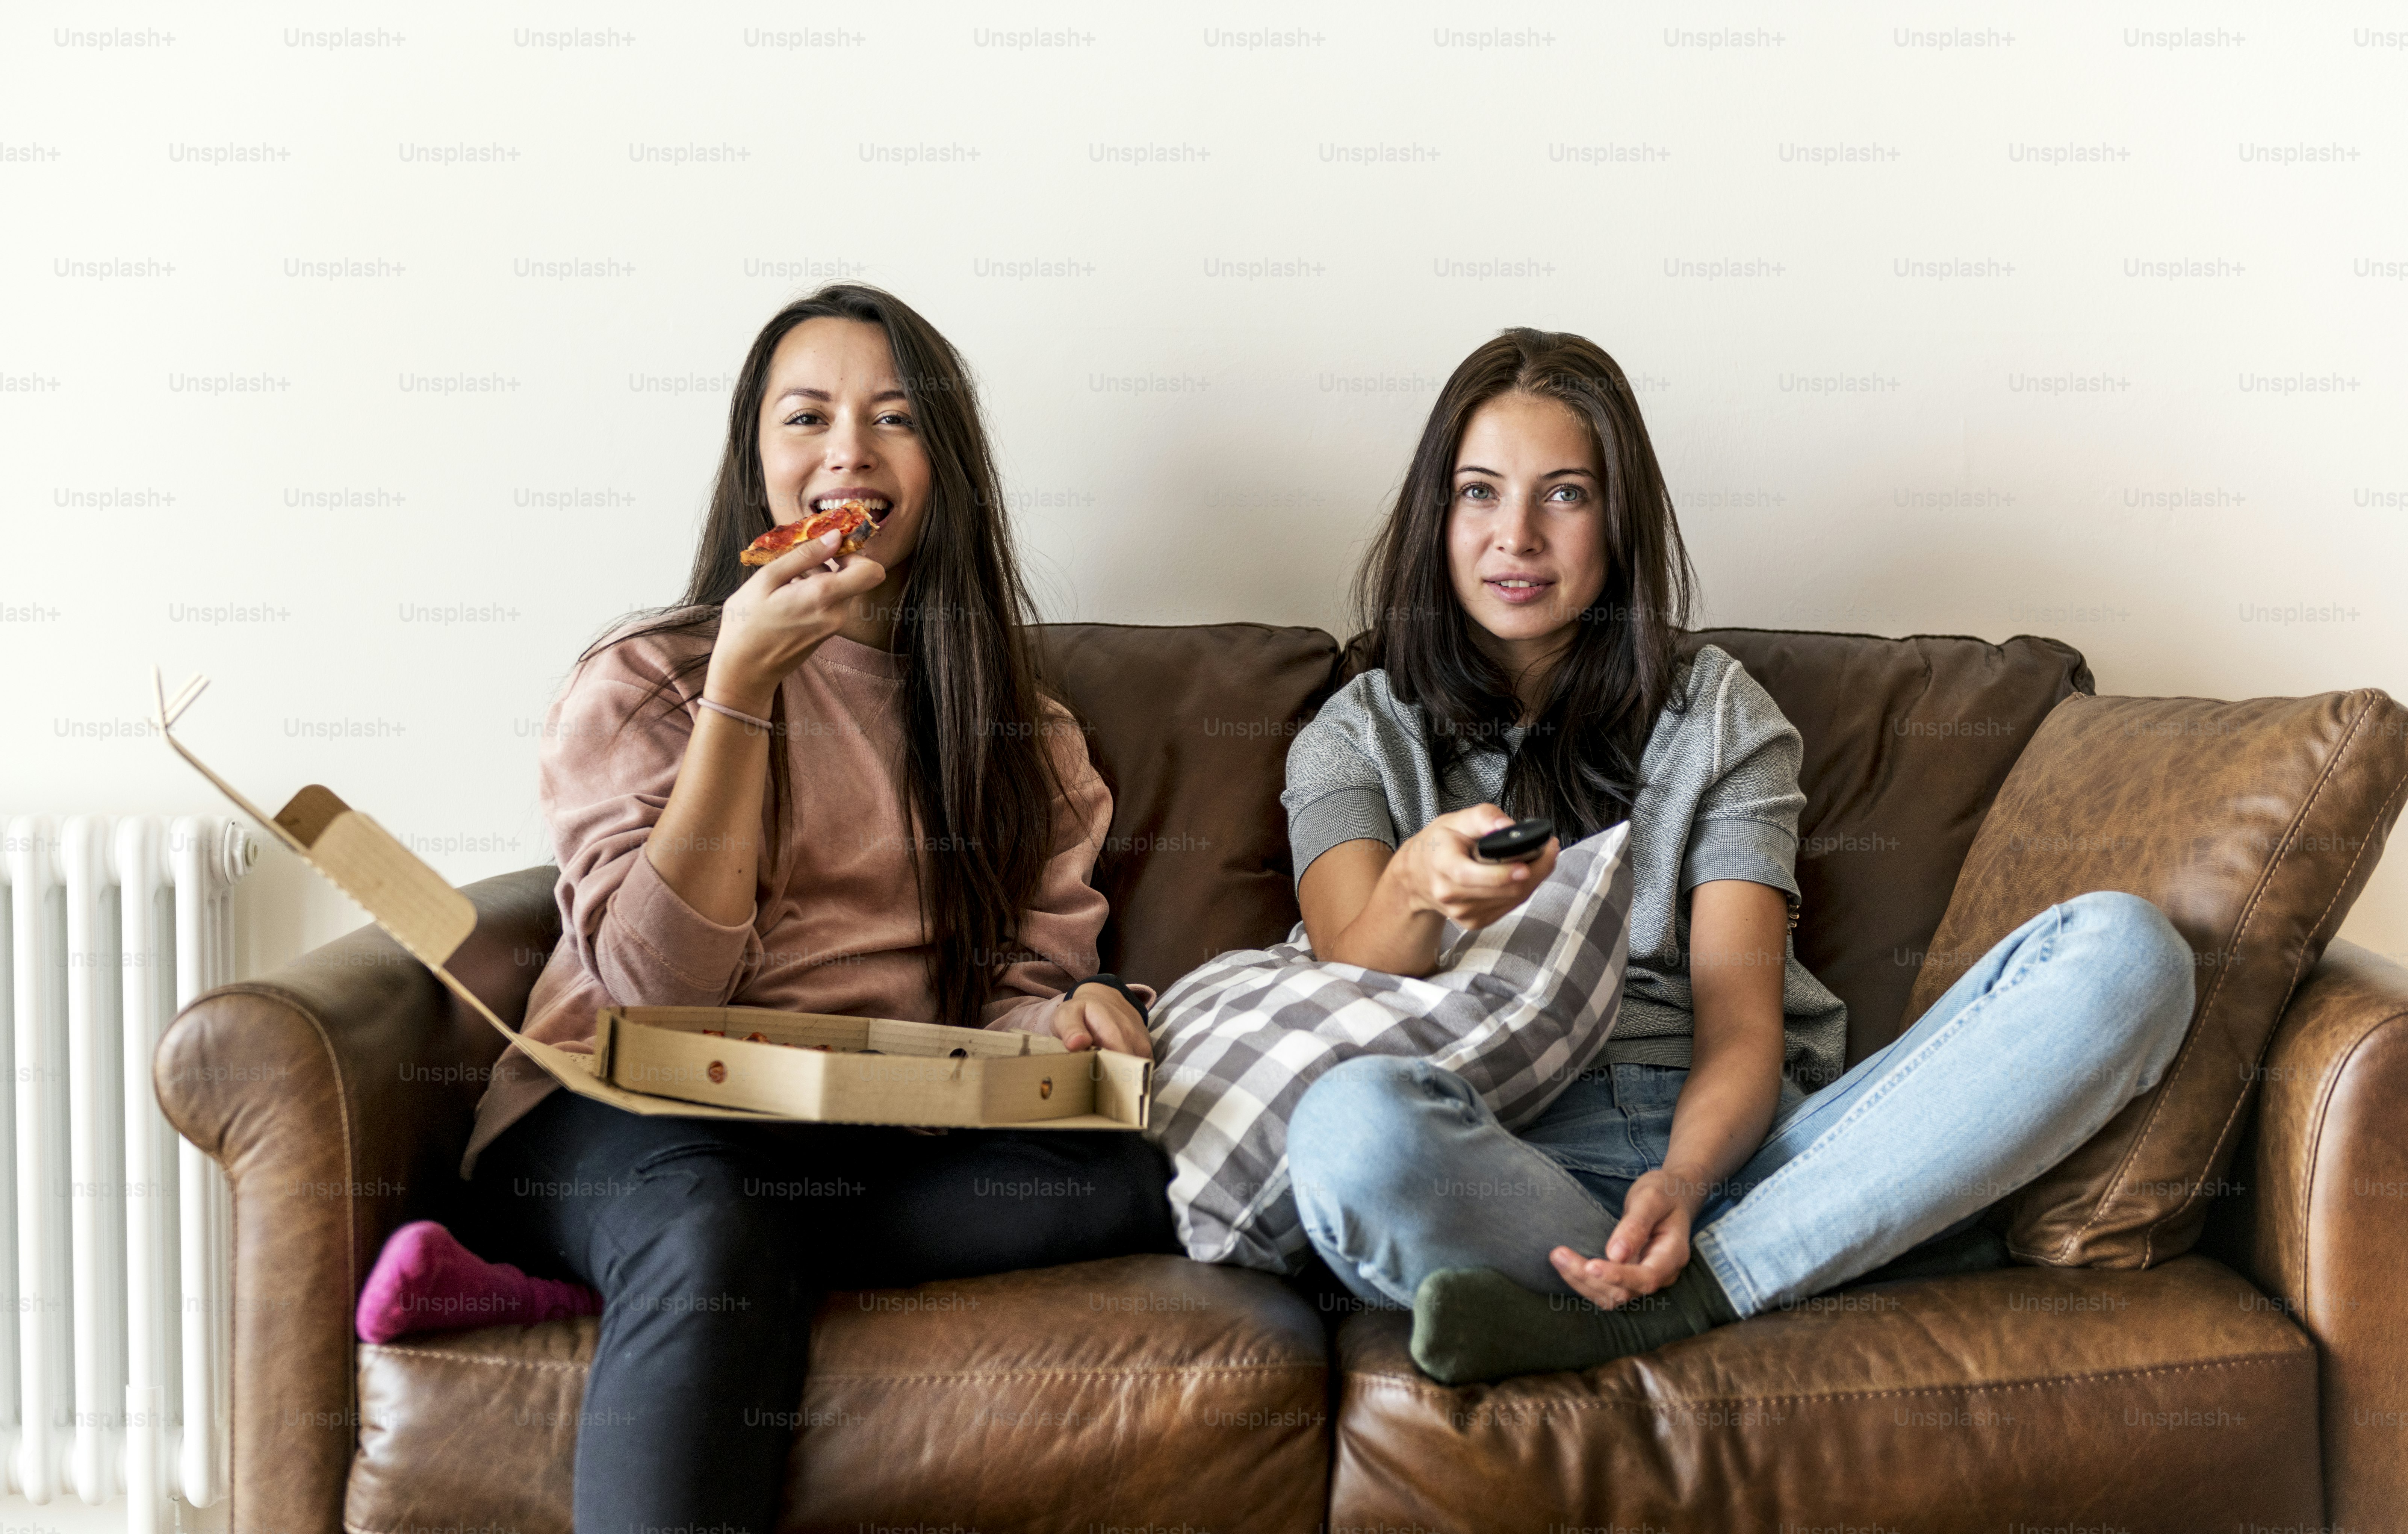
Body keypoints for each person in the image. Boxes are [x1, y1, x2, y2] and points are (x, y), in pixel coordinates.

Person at [1219, 327, 2194, 1384]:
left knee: (2130, 952)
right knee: (1346, 1129)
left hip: (1742, 1149)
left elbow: (1741, 1025)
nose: (1517, 537)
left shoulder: (1721, 716)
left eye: (1565, 494)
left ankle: (1697, 1285)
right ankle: (1833, 1245)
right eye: (1479, 493)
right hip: (1511, 1161)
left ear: (1619, 520)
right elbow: (1349, 976)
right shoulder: (1353, 736)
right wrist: (1417, 882)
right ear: (1436, 515)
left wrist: (1684, 1184)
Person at [357, 285, 1170, 1532]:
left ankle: (590, 1282)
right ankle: (644, 1260)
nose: (849, 450)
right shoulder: (645, 682)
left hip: (865, 1139)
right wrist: (740, 692)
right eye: (809, 418)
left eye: (895, 420)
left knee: (1154, 1178)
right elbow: (650, 995)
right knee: (712, 1218)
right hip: (625, 1110)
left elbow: (1017, 993)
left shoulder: (1030, 738)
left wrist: (1071, 1021)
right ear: (759, 465)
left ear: (943, 470)